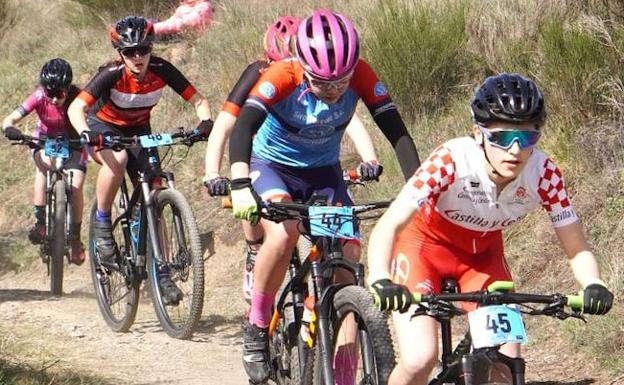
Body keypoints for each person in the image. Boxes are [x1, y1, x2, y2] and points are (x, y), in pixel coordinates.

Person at [366, 73, 614, 385]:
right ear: (478, 133)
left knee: (506, 368)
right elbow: (389, 224)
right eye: (501, 137)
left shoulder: (544, 173)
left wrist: (593, 282)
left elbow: (576, 245)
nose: (514, 150)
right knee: (420, 358)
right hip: (423, 249)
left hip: (483, 258)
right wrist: (379, 278)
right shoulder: (452, 160)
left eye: (526, 138)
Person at [227, 9, 421, 384]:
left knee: (348, 263)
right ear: (301, 66)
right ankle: (256, 325)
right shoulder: (281, 75)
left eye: (341, 82)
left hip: (324, 172)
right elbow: (242, 128)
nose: (333, 90)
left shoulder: (362, 74)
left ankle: (340, 361)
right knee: (284, 235)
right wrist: (238, 183)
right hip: (272, 167)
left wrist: (418, 186)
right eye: (320, 82)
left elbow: (397, 131)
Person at [203, 15, 382, 304]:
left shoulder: (325, 82)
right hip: (263, 153)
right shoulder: (260, 74)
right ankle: (253, 252)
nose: (291, 74)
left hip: (315, 158)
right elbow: (227, 124)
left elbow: (349, 120)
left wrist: (370, 158)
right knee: (274, 223)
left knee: (343, 246)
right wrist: (213, 172)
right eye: (281, 62)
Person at [68, 15, 213, 305]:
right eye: (130, 52)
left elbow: (199, 101)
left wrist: (205, 122)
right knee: (118, 160)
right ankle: (102, 222)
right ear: (120, 54)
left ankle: (163, 274)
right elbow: (75, 108)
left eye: (143, 49)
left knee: (155, 192)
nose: (137, 57)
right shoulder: (110, 73)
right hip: (102, 126)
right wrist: (87, 133)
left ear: (151, 48)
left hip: (139, 129)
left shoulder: (162, 70)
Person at [2, 58, 87, 265]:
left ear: (68, 88)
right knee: (43, 168)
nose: (54, 99)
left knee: (76, 186)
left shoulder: (79, 96)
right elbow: (10, 118)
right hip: (44, 140)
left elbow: (94, 117)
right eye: (50, 93)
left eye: (60, 94)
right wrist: (11, 128)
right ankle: (41, 223)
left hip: (74, 143)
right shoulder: (39, 96)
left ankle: (75, 238)